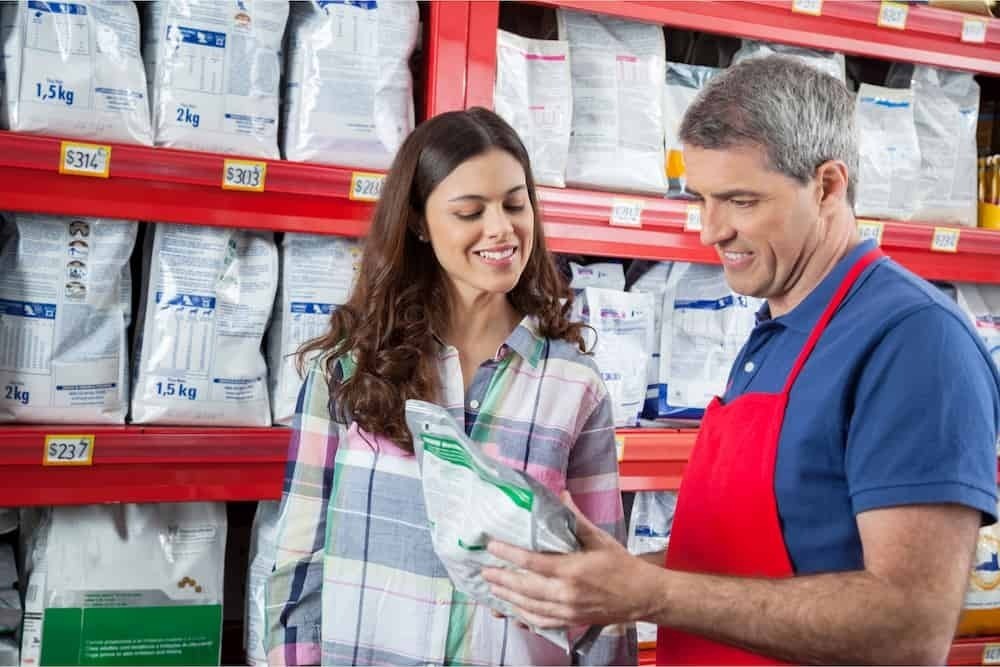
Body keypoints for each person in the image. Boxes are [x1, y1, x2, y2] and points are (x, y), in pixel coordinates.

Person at [482, 55, 1000, 665]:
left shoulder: (912, 342)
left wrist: (654, 594)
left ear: (828, 186)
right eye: (701, 198)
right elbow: (757, 562)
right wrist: (607, 582)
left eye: (740, 200)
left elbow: (910, 626)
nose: (709, 231)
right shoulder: (776, 328)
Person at [264, 107, 636, 666]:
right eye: (470, 211)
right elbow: (299, 561)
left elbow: (603, 591)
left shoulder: (572, 384)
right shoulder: (350, 370)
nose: (501, 229)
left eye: (515, 204)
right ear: (418, 222)